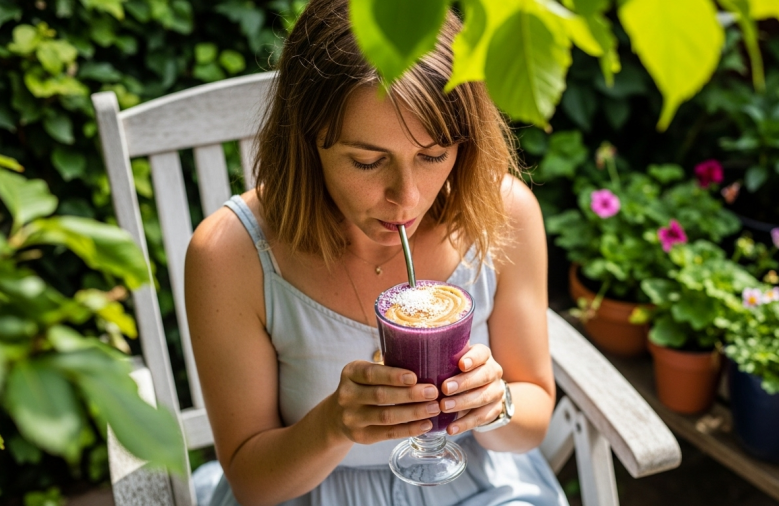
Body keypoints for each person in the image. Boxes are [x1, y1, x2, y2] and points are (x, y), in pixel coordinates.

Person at [185, 1, 566, 504]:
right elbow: (253, 483)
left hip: (478, 484)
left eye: (433, 156)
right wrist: (333, 424)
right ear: (306, 141)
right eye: (367, 161)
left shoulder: (503, 214)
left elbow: (533, 418)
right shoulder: (230, 255)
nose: (406, 198)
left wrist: (495, 406)